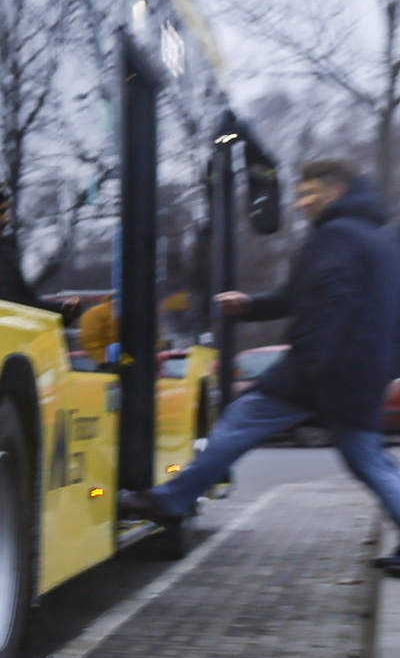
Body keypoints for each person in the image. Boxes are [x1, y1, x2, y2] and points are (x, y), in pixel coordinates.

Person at [121, 160, 400, 566]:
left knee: (240, 421)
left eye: (309, 194)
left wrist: (312, 366)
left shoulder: (335, 236)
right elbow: (304, 297)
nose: (301, 204)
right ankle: (173, 499)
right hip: (359, 373)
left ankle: (172, 500)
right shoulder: (379, 240)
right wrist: (250, 306)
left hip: (321, 368)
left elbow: (329, 304)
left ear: (336, 190)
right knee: (367, 459)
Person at [0, 182, 82, 319]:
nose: (6, 220)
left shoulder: (2, 254)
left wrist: (60, 311)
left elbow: (21, 303)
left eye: (5, 212)